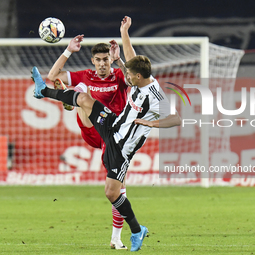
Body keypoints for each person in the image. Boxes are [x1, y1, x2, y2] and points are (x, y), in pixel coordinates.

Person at [31, 20, 181, 252]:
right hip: (112, 124)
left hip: (120, 147)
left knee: (112, 192)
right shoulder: (140, 80)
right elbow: (130, 57)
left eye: (130, 73)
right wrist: (124, 33)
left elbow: (176, 119)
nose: (126, 75)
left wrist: (152, 122)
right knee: (83, 98)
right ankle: (43, 91)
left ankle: (136, 230)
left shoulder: (156, 97)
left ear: (138, 76)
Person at [46, 36, 129, 250]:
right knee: (84, 93)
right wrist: (68, 51)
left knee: (118, 188)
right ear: (93, 61)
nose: (102, 63)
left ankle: (116, 238)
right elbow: (52, 76)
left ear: (110, 59)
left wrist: (120, 60)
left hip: (114, 135)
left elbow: (134, 79)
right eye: (98, 60)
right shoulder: (86, 75)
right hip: (92, 129)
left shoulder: (119, 75)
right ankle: (73, 99)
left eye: (106, 59)